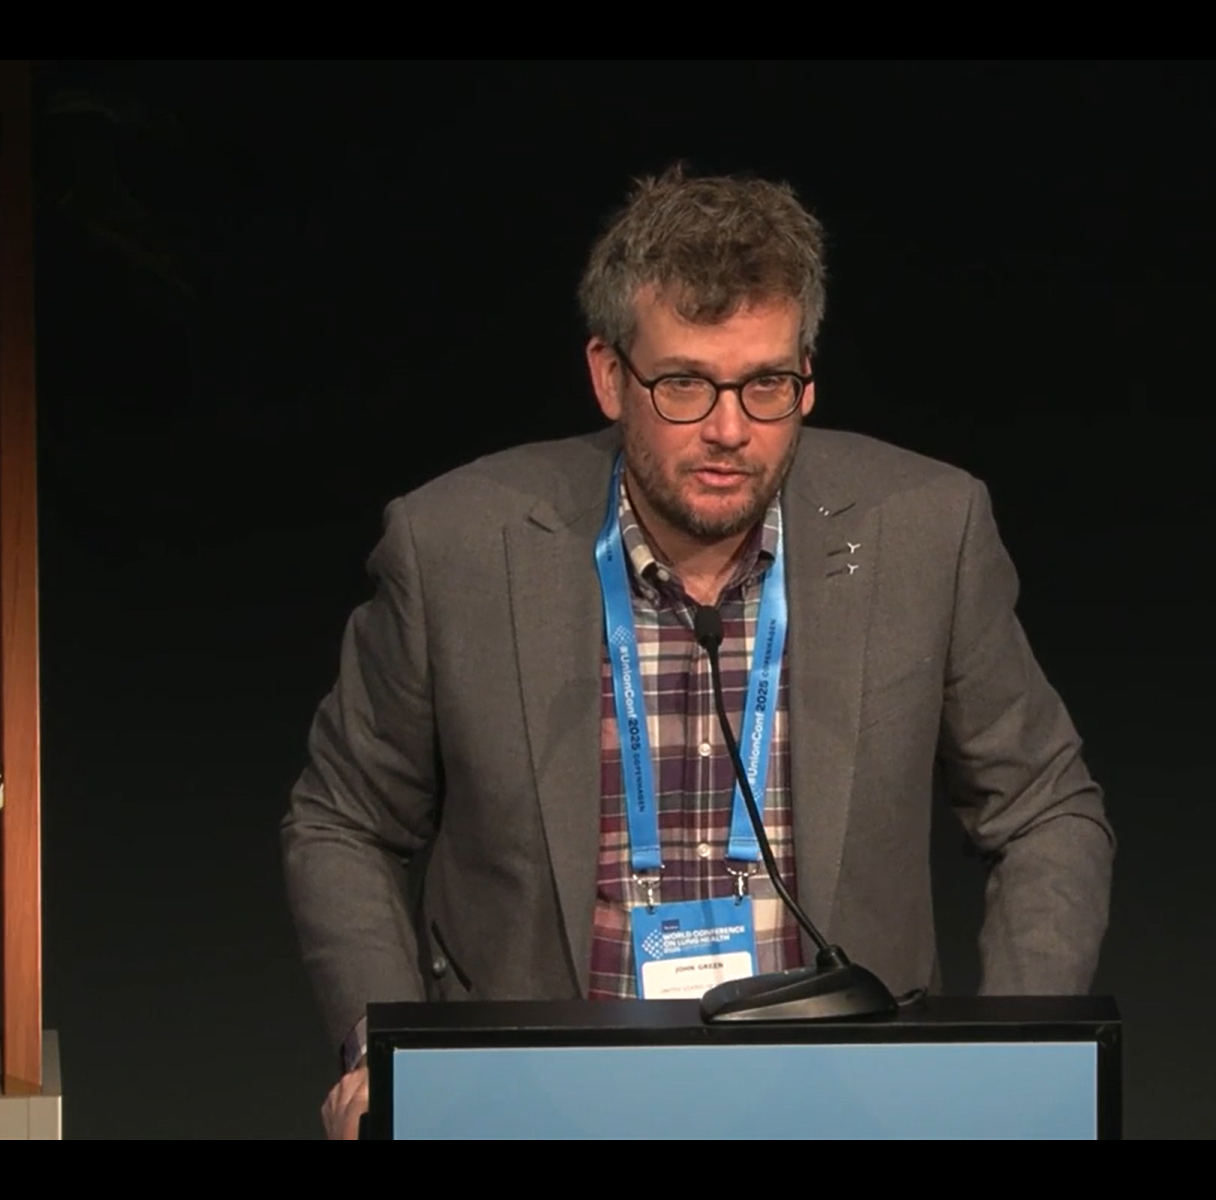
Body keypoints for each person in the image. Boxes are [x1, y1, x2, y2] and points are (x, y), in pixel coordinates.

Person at [281, 164, 1115, 1140]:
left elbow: (1046, 808)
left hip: (843, 1102)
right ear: (609, 376)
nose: (729, 430)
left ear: (807, 379)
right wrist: (382, 1051)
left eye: (765, 385)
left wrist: (1012, 1053)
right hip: (538, 1102)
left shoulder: (926, 531)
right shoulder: (456, 546)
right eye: (684, 384)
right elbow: (343, 819)